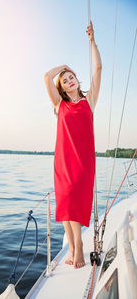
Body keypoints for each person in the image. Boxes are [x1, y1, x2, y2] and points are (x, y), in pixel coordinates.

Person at [44, 20, 102, 269]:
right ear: (62, 87)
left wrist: (92, 41)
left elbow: (98, 68)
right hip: (63, 162)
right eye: (65, 79)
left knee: (76, 203)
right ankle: (73, 247)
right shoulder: (60, 106)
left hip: (83, 162)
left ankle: (78, 248)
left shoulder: (89, 102)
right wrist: (63, 66)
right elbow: (47, 76)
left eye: (72, 77)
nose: (69, 80)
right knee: (66, 203)